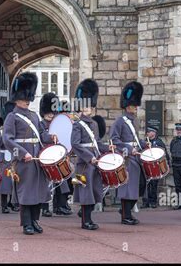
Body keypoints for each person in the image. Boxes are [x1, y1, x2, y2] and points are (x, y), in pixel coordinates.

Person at [2, 72, 57, 235]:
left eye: (28, 98)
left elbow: (41, 135)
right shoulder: (12, 117)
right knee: (26, 192)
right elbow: (8, 139)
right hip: (24, 160)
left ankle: (35, 220)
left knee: (38, 191)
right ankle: (26, 223)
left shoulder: (34, 116)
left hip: (37, 159)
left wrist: (51, 137)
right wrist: (22, 154)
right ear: (17, 98)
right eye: (24, 98)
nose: (26, 100)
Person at [71, 79, 112, 230]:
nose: (88, 108)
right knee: (86, 192)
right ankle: (85, 221)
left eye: (89, 106)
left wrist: (108, 148)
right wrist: (90, 157)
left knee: (95, 191)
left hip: (95, 162)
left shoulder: (94, 124)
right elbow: (75, 144)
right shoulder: (77, 124)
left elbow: (96, 143)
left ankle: (87, 216)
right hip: (84, 163)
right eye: (85, 106)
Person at [109, 81, 145, 225]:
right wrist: (129, 150)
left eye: (136, 105)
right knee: (128, 188)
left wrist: (143, 144)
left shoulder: (135, 120)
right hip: (128, 158)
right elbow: (114, 140)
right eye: (133, 105)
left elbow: (135, 139)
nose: (135, 108)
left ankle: (127, 211)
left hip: (136, 157)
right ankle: (126, 215)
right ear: (127, 105)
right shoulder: (120, 121)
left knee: (140, 185)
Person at [39, 92, 72, 216]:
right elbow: (42, 137)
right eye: (48, 112)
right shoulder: (40, 124)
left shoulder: (58, 123)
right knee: (46, 183)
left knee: (62, 181)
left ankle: (60, 205)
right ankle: (45, 207)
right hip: (46, 156)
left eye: (52, 112)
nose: (50, 114)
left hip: (58, 156)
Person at [0, 101, 19, 214]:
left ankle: (12, 203)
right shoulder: (0, 130)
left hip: (14, 156)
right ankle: (4, 205)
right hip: (4, 158)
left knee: (14, 180)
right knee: (4, 182)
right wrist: (2, 135)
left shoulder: (17, 128)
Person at [143, 126, 170, 209]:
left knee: (154, 185)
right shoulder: (145, 142)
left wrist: (168, 163)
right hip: (147, 166)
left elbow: (164, 153)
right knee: (146, 185)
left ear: (154, 133)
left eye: (149, 132)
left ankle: (153, 201)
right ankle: (146, 202)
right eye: (147, 132)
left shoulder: (159, 142)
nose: (147, 133)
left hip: (156, 167)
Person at [170, 123, 181, 209]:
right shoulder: (173, 141)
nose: (179, 131)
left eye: (180, 130)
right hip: (175, 165)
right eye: (177, 130)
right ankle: (180, 202)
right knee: (177, 185)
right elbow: (171, 150)